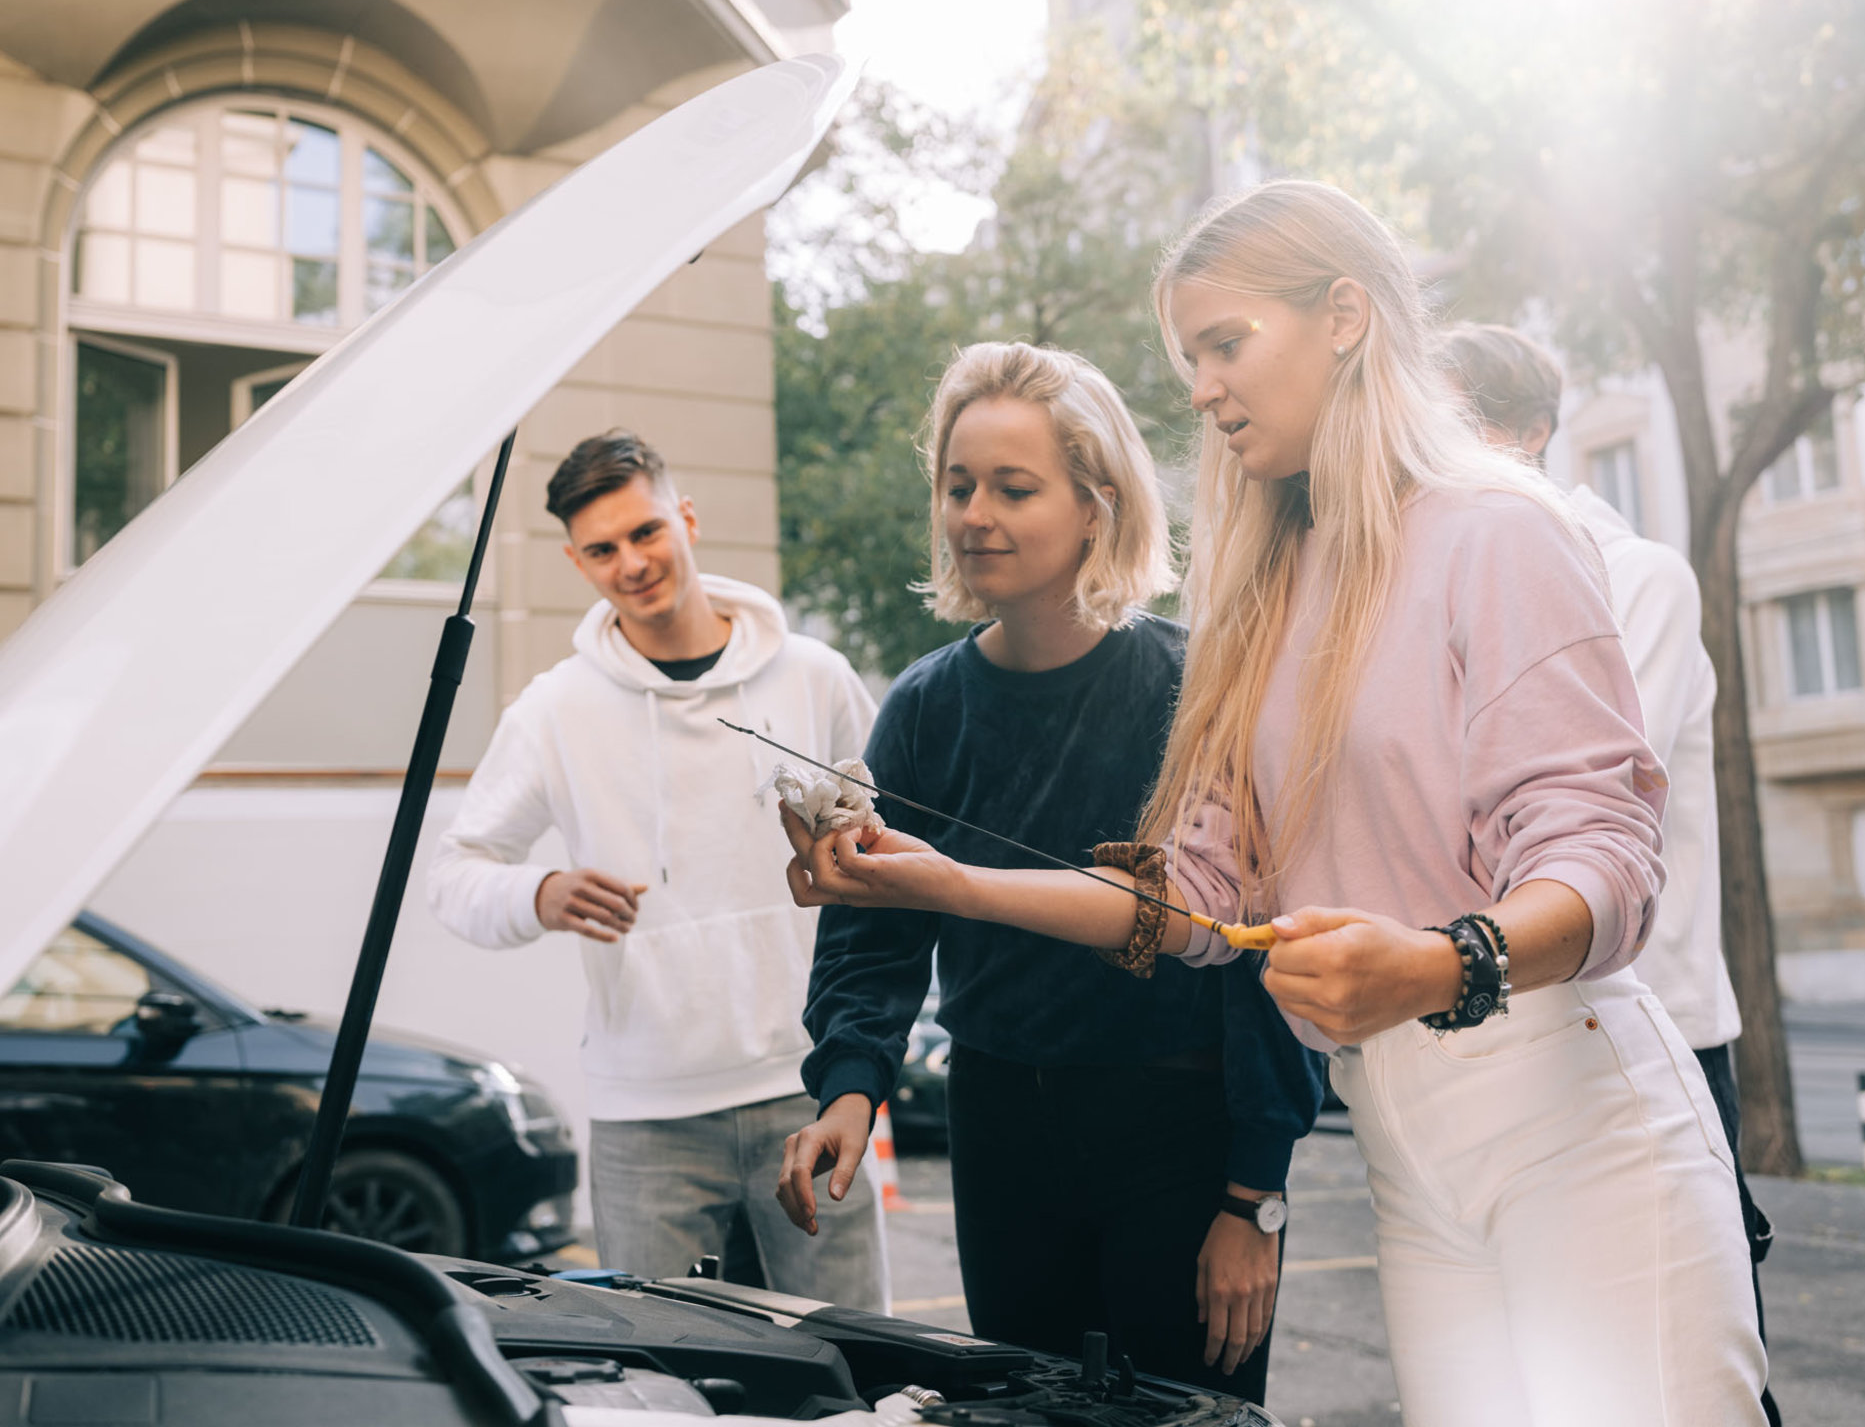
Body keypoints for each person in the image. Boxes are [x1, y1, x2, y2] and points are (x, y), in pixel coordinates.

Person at [776, 183, 1768, 1424]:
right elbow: (1190, 898)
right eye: (1186, 357)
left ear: (1345, 316)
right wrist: (938, 881)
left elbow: (1608, 859)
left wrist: (1441, 962)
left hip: (1570, 1108)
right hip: (1404, 1141)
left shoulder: (1497, 529)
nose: (1197, 388)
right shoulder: (1265, 584)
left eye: (1224, 345)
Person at [775, 341, 1321, 1401]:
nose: (973, 513)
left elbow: (1263, 947)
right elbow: (873, 936)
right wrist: (850, 1089)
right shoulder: (925, 704)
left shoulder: (1200, 684)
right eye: (956, 484)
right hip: (999, 1130)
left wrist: (1255, 1197)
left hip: (1182, 1135)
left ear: (1097, 505)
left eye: (1012, 487)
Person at [427, 429, 886, 1308]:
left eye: (645, 532)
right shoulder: (555, 711)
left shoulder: (813, 678)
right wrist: (541, 893)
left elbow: (881, 854)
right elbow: (455, 873)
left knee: (855, 1371)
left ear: (686, 518)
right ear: (576, 561)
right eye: (602, 549)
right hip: (648, 1118)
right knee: (659, 1389)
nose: (631, 562)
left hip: (811, 1088)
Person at [1444, 320, 1781, 1425]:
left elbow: (1556, 788)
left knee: (1687, 1382)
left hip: (1651, 1036)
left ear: (1530, 433)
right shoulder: (1442, 577)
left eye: (1452, 421)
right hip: (1516, 1040)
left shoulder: (1634, 576)